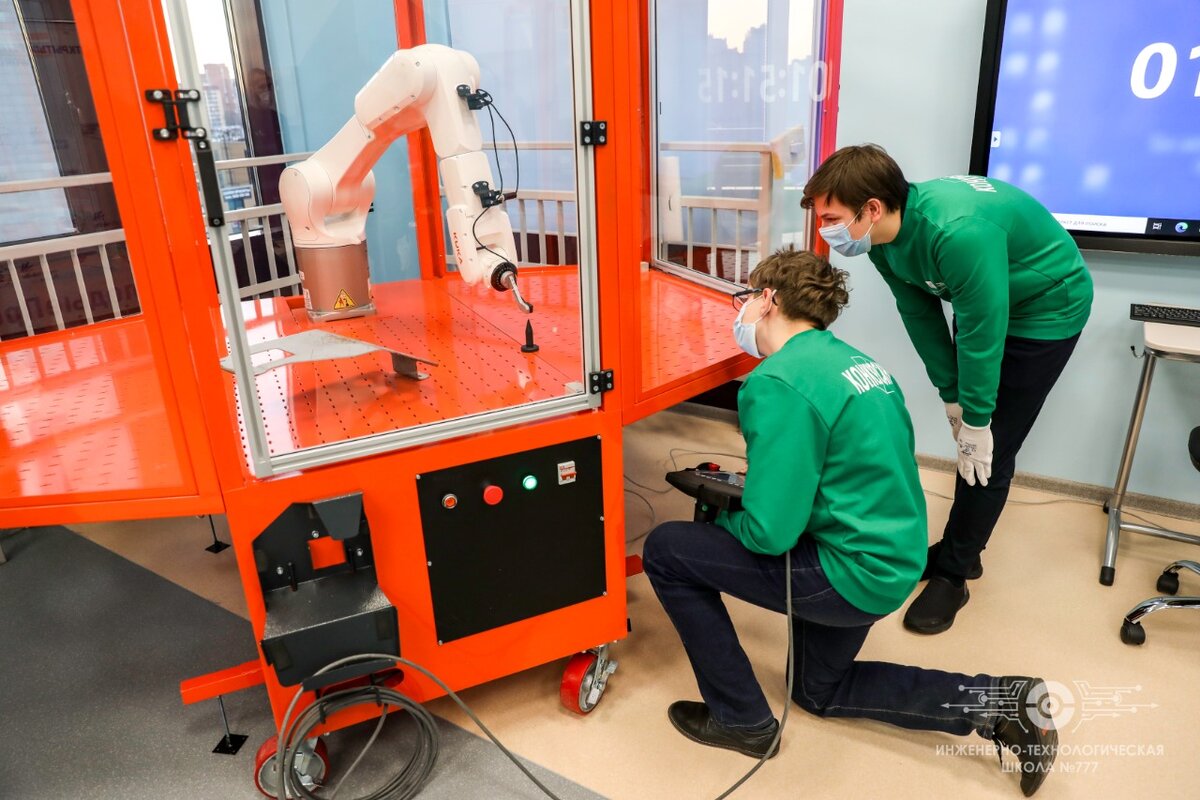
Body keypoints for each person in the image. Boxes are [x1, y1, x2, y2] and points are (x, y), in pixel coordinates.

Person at [642, 248, 1058, 797]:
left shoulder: (777, 381)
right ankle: (1003, 703)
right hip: (892, 557)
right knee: (818, 691)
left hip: (847, 571)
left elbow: (770, 534)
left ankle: (742, 720)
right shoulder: (860, 366)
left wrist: (723, 525)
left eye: (745, 298)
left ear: (768, 300)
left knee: (669, 549)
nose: (741, 312)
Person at [801, 144, 1093, 634]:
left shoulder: (957, 232)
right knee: (973, 430)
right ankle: (958, 548)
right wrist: (951, 394)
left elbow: (981, 330)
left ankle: (955, 573)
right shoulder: (882, 237)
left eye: (830, 218)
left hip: (1046, 308)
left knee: (991, 445)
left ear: (872, 208)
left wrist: (976, 419)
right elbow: (918, 313)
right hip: (986, 300)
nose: (824, 229)